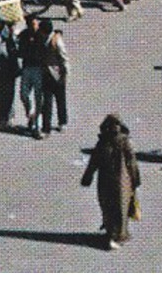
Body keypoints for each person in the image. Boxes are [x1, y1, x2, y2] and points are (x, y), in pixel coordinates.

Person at [81, 114, 141, 250]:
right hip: (114, 181)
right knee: (110, 206)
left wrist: (135, 179)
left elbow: (131, 162)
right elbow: (94, 161)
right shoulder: (106, 142)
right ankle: (114, 234)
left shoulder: (122, 142)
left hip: (118, 181)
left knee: (119, 207)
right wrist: (88, 176)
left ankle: (118, 235)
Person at [40, 23, 70, 133]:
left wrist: (65, 75)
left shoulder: (56, 41)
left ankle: (62, 121)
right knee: (47, 101)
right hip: (46, 73)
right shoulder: (43, 38)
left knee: (60, 99)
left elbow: (64, 58)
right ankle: (46, 126)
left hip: (57, 75)